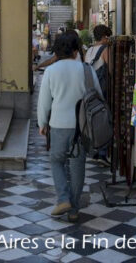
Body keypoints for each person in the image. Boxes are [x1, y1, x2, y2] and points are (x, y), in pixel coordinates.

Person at [37, 31, 101, 223]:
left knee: (57, 160)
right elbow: (98, 96)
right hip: (82, 127)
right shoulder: (86, 69)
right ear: (76, 50)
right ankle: (73, 208)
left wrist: (42, 124)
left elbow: (44, 102)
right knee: (77, 166)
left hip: (58, 124)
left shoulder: (51, 71)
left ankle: (63, 198)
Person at [84, 24, 112, 164]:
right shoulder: (104, 49)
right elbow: (111, 69)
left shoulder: (88, 50)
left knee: (92, 119)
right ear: (104, 37)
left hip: (89, 89)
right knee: (103, 119)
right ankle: (102, 152)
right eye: (107, 37)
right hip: (101, 89)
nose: (108, 40)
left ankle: (94, 149)